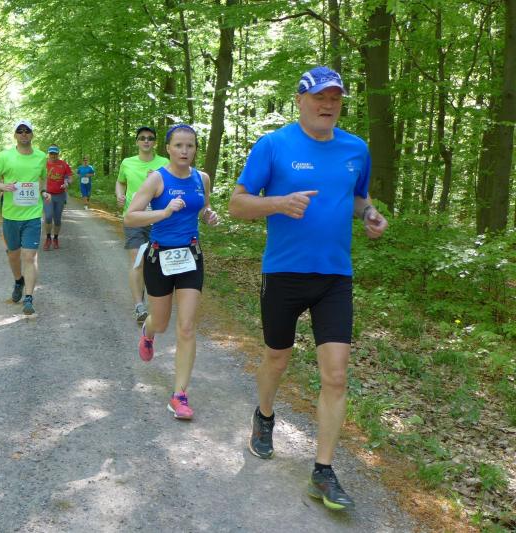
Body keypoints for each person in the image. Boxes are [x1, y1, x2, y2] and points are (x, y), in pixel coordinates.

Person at [228, 66, 389, 511]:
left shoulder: (356, 149)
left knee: (336, 375)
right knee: (277, 357)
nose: (328, 104)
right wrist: (278, 203)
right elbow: (237, 203)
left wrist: (369, 214)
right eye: (320, 96)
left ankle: (323, 470)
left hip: (335, 276)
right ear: (300, 100)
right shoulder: (273, 145)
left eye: (335, 98)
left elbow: (356, 197)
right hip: (284, 273)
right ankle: (264, 416)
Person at [125, 124, 218, 421]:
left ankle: (179, 395)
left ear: (195, 148)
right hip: (160, 256)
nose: (184, 151)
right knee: (162, 322)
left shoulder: (202, 178)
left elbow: (201, 208)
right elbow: (130, 217)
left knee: (187, 327)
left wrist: (208, 215)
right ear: (168, 148)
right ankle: (148, 331)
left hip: (191, 255)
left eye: (190, 146)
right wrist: (164, 213)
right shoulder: (157, 179)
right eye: (178, 145)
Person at [0, 119, 49, 315]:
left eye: (27, 130)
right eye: (20, 131)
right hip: (11, 215)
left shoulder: (41, 156)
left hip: (33, 214)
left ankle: (29, 298)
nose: (23, 134)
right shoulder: (5, 156)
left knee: (29, 256)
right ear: (15, 135)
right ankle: (18, 281)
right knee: (13, 254)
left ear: (32, 134)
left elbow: (43, 177)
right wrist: (2, 186)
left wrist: (43, 190)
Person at [116, 126, 169, 323]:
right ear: (137, 142)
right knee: (137, 260)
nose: (146, 141)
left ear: (155, 142)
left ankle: (157, 300)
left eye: (150, 138)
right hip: (134, 218)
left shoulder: (165, 163)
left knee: (156, 263)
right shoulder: (127, 162)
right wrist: (120, 195)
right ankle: (139, 306)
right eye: (142, 138)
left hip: (158, 218)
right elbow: (120, 182)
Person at [43, 144, 74, 250]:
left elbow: (70, 178)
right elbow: (38, 177)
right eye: (51, 153)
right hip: (48, 195)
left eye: (55, 153)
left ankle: (55, 238)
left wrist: (67, 183)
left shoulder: (64, 164)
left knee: (57, 219)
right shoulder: (44, 164)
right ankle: (48, 238)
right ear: (48, 154)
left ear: (58, 154)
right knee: (48, 216)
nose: (53, 155)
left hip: (60, 195)